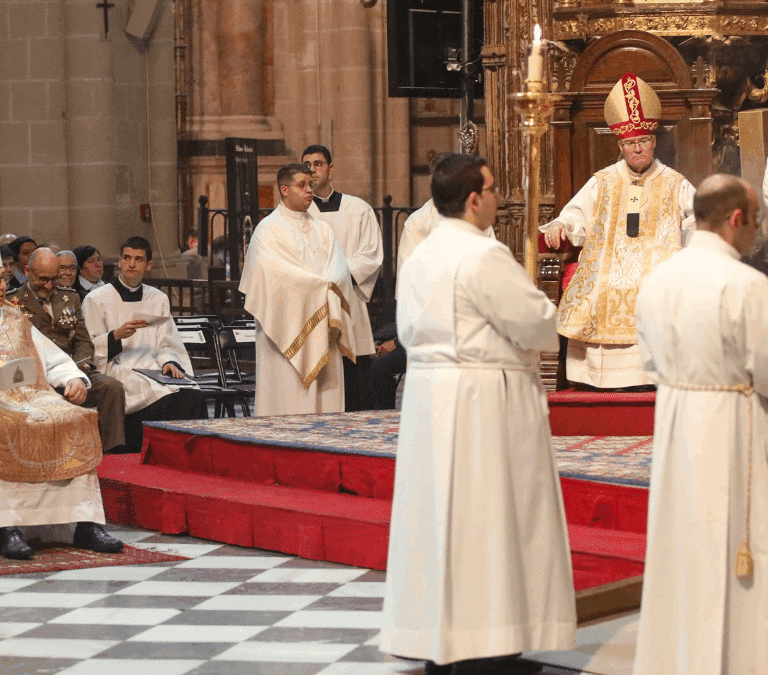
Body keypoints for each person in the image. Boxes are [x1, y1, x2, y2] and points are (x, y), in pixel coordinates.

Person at [380, 154, 576, 672]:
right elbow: (537, 323)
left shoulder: (421, 256)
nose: (496, 196)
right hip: (483, 400)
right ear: (473, 200)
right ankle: (488, 645)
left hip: (430, 400)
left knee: (442, 520)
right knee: (489, 519)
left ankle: (443, 640)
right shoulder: (482, 255)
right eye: (491, 188)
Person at [633, 174, 768, 675]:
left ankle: (676, 657)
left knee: (684, 542)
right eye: (755, 221)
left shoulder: (658, 279)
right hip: (735, 426)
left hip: (675, 422)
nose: (756, 232)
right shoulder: (747, 286)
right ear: (736, 220)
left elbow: (648, 361)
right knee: (735, 541)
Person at [541, 72, 696, 390]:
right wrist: (560, 225)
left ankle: (650, 375)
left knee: (653, 287)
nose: (637, 148)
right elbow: (575, 216)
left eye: (643, 141)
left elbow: (699, 221)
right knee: (603, 286)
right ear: (620, 145)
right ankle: (599, 377)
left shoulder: (674, 181)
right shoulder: (604, 180)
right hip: (608, 266)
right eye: (630, 143)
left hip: (658, 265)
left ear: (653, 142)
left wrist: (689, 248)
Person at [0, 258, 122, 560]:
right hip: (4, 403)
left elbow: (52, 358)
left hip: (33, 394)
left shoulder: (14, 317)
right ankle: (8, 526)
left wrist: (73, 379)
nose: (3, 286)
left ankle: (86, 522)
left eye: (2, 279)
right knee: (11, 424)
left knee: (76, 417)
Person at [239, 163, 356, 416]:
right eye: (301, 185)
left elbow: (339, 268)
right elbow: (271, 273)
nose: (308, 190)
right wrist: (318, 287)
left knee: (327, 400)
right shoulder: (267, 230)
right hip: (285, 324)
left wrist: (325, 287)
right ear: (284, 190)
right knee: (287, 397)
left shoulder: (322, 228)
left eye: (310, 185)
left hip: (323, 321)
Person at [82, 236, 208, 453]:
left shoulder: (158, 298)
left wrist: (169, 361)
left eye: (139, 259)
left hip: (154, 366)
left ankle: (189, 457)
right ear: (119, 262)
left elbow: (167, 340)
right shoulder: (96, 298)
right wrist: (115, 335)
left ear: (148, 265)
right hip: (118, 367)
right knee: (155, 394)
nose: (132, 264)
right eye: (127, 258)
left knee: (192, 395)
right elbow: (88, 347)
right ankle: (150, 453)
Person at [12, 248, 128, 454]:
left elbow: (83, 339)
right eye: (43, 279)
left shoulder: (69, 297)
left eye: (54, 279)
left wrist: (78, 371)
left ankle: (113, 454)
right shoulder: (14, 302)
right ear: (28, 271)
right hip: (36, 376)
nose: (49, 286)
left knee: (111, 387)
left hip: (72, 369)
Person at [303, 144, 383, 411]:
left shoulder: (358, 209)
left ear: (331, 169)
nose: (312, 170)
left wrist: (338, 275)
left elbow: (370, 253)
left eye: (318, 164)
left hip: (349, 297)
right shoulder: (300, 214)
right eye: (307, 165)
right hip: (315, 300)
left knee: (355, 373)